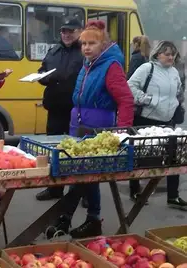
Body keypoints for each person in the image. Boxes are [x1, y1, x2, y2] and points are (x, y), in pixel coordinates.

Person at [68, 21, 134, 238]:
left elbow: (125, 99)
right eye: (83, 43)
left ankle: (93, 218)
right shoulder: (88, 63)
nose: (86, 47)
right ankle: (67, 216)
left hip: (97, 125)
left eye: (92, 43)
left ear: (103, 44)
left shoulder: (110, 65)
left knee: (91, 174)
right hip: (79, 122)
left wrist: (122, 131)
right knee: (77, 172)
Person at [128, 41, 187, 209]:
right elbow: (130, 86)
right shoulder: (147, 68)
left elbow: (178, 90)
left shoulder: (174, 72)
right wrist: (148, 100)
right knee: (142, 158)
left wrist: (176, 102)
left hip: (168, 121)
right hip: (146, 120)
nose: (170, 57)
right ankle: (135, 190)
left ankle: (173, 196)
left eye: (172, 54)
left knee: (174, 157)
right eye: (166, 53)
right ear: (157, 54)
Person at [35, 18, 84, 202]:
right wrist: (41, 77)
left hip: (76, 109)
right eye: (64, 31)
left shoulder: (84, 50)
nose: (66, 34)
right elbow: (42, 70)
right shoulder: (53, 50)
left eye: (70, 31)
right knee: (53, 150)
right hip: (55, 107)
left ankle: (82, 193)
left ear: (79, 31)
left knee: (77, 152)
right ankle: (54, 188)